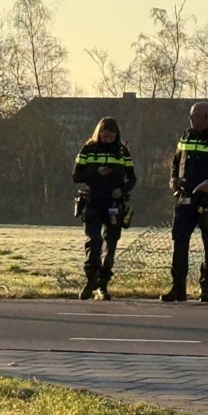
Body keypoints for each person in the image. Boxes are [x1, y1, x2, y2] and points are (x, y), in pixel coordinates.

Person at [161, 102, 208, 303]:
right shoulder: (185, 136)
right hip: (185, 197)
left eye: (195, 115)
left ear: (207, 118)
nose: (191, 118)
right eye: (191, 115)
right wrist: (173, 180)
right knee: (179, 242)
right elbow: (176, 162)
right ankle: (178, 289)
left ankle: (205, 289)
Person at [72, 117, 136, 300]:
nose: (107, 138)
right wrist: (95, 172)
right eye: (104, 135)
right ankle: (90, 279)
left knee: (111, 244)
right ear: (99, 133)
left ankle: (103, 284)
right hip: (93, 200)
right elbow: (76, 175)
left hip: (114, 203)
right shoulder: (88, 149)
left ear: (116, 135)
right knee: (93, 241)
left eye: (111, 135)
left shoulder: (123, 152)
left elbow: (132, 178)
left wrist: (121, 190)